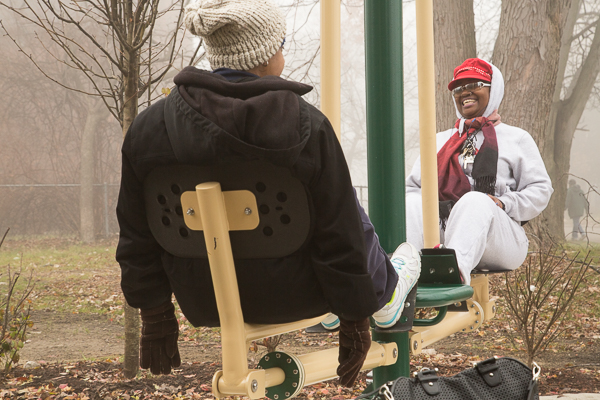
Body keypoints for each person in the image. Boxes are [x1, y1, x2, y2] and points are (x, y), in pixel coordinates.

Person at [115, 0, 419, 387]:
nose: (283, 51)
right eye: (282, 43)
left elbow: (136, 233)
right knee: (343, 207)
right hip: (297, 293)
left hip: (203, 298)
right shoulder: (308, 127)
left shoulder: (147, 129)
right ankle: (387, 292)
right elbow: (338, 233)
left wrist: (155, 314)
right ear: (263, 55)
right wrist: (355, 318)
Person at [405, 58, 553, 284]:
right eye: (459, 88)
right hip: (443, 232)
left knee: (475, 200)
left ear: (493, 90)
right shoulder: (439, 141)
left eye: (474, 85)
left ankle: (452, 277)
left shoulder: (517, 138)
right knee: (412, 201)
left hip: (500, 237)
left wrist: (505, 203)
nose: (465, 93)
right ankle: (408, 274)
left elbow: (541, 189)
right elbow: (412, 188)